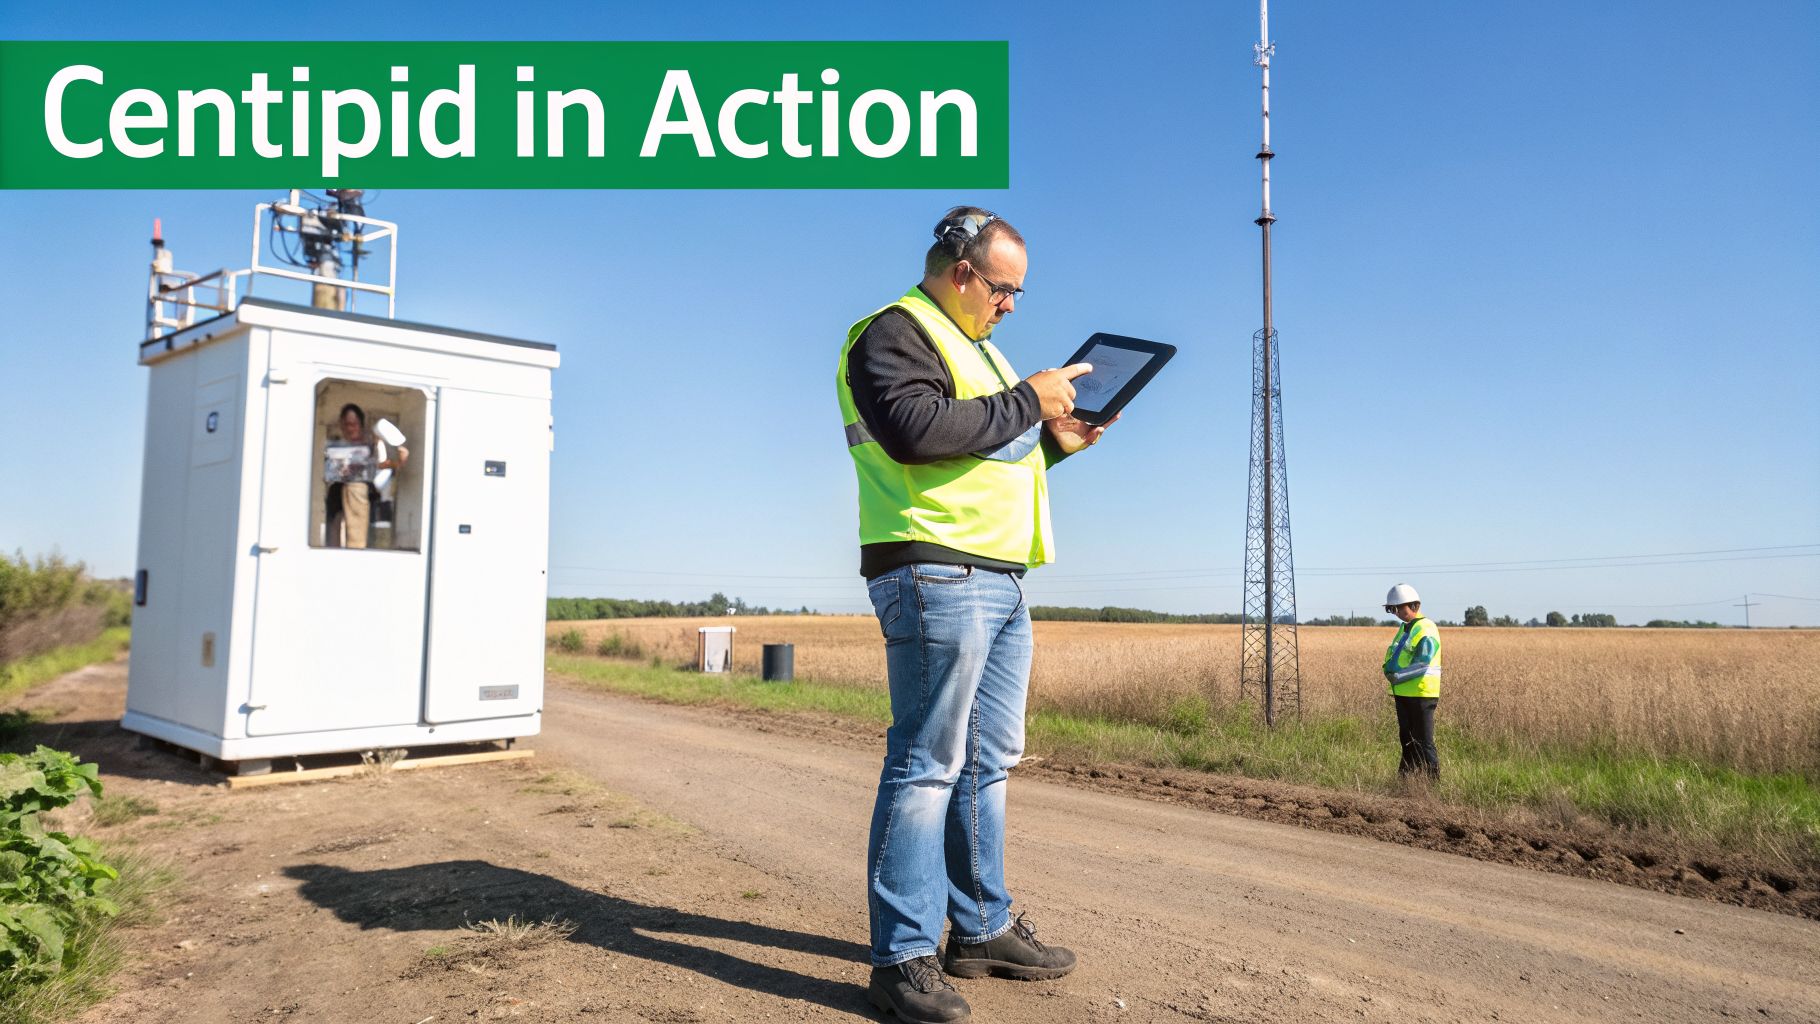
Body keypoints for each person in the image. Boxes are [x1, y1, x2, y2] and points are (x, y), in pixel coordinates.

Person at [836, 207, 1112, 1024]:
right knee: (927, 764)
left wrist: (1057, 441)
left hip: (998, 578)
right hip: (932, 570)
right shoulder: (891, 334)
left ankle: (982, 928)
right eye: (1004, 289)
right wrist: (1030, 399)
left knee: (988, 761)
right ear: (962, 273)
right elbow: (918, 433)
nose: (1012, 306)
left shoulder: (982, 352)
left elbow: (985, 452)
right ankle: (902, 959)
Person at [325, 403, 407, 549]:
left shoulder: (373, 443)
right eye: (346, 424)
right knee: (334, 536)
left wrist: (398, 461)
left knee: (359, 538)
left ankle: (356, 552)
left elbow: (382, 463)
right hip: (337, 494)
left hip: (362, 493)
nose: (349, 428)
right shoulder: (337, 445)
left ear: (361, 424)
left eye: (353, 424)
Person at [1382, 583, 1442, 779]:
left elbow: (1423, 662)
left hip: (1421, 694)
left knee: (1424, 742)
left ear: (1413, 605)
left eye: (1399, 608)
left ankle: (1433, 784)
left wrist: (1398, 676)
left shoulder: (1426, 627)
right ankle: (1405, 782)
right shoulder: (1405, 627)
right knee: (1406, 740)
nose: (1396, 613)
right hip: (1402, 692)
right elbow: (1396, 655)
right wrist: (1388, 670)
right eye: (1393, 609)